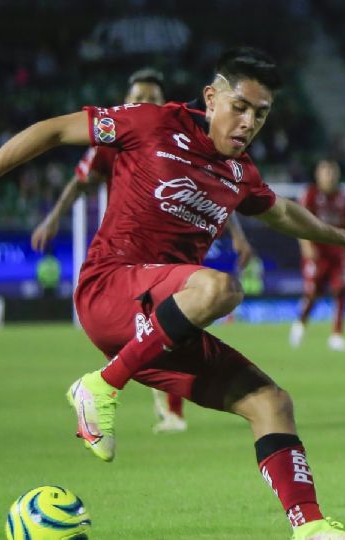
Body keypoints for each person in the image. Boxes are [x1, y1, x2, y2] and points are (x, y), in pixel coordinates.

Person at [0, 47, 345, 540]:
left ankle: (312, 529)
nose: (249, 122)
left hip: (162, 322)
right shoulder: (150, 123)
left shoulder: (240, 173)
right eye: (240, 106)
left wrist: (342, 237)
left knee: (270, 401)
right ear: (210, 98)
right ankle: (100, 386)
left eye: (261, 113)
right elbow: (54, 130)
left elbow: (283, 213)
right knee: (219, 286)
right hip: (110, 288)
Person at [29, 68, 255, 435]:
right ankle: (125, 392)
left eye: (152, 97)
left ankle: (146, 401)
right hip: (128, 255)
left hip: (174, 255)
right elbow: (79, 181)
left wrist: (239, 236)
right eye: (138, 96)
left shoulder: (179, 139)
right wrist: (54, 217)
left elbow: (216, 192)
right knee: (160, 328)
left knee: (175, 325)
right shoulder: (115, 140)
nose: (145, 103)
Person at [289, 158, 345, 352]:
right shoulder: (310, 195)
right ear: (318, 174)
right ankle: (300, 324)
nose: (330, 176)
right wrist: (306, 246)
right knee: (313, 292)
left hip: (337, 251)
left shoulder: (343, 198)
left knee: (341, 289)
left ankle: (336, 335)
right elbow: (300, 222)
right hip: (317, 252)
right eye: (326, 172)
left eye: (333, 172)